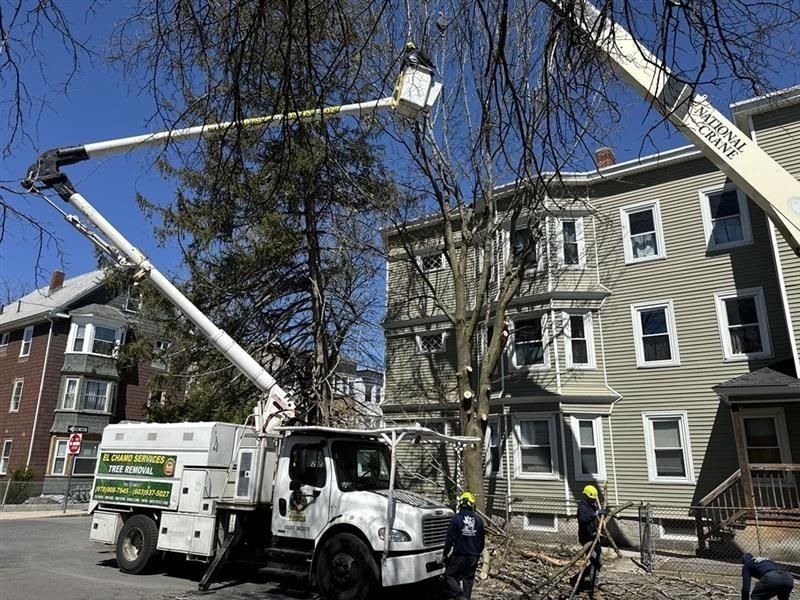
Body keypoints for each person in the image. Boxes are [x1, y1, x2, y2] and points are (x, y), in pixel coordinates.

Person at [443, 491, 485, 600]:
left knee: (449, 575)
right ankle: (466, 597)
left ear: (460, 503)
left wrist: (445, 554)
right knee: (468, 579)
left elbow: (449, 539)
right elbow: (482, 541)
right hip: (473, 556)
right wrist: (477, 553)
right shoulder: (479, 520)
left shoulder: (456, 518)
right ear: (472, 505)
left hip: (460, 555)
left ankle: (460, 596)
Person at [577, 484, 607, 594]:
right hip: (587, 539)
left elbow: (595, 516)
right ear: (586, 496)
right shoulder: (582, 507)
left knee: (599, 561)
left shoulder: (591, 505)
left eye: (594, 498)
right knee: (594, 561)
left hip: (594, 536)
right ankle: (592, 584)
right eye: (592, 498)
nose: (593, 500)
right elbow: (583, 519)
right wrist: (595, 513)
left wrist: (601, 513)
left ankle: (587, 576)